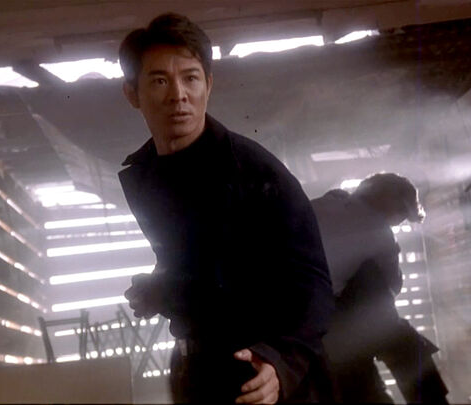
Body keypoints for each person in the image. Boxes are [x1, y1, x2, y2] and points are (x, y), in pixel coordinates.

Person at [117, 13, 334, 404]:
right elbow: (206, 270)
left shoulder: (255, 171)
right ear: (132, 94)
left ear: (208, 85)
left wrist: (282, 361)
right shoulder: (145, 175)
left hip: (263, 375)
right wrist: (159, 290)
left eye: (191, 78)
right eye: (160, 81)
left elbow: (312, 282)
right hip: (197, 372)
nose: (178, 95)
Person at [310, 173, 448, 404]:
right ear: (391, 202)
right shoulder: (379, 231)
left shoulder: (325, 203)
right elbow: (392, 286)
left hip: (294, 314)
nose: (400, 222)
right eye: (402, 215)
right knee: (401, 339)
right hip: (317, 321)